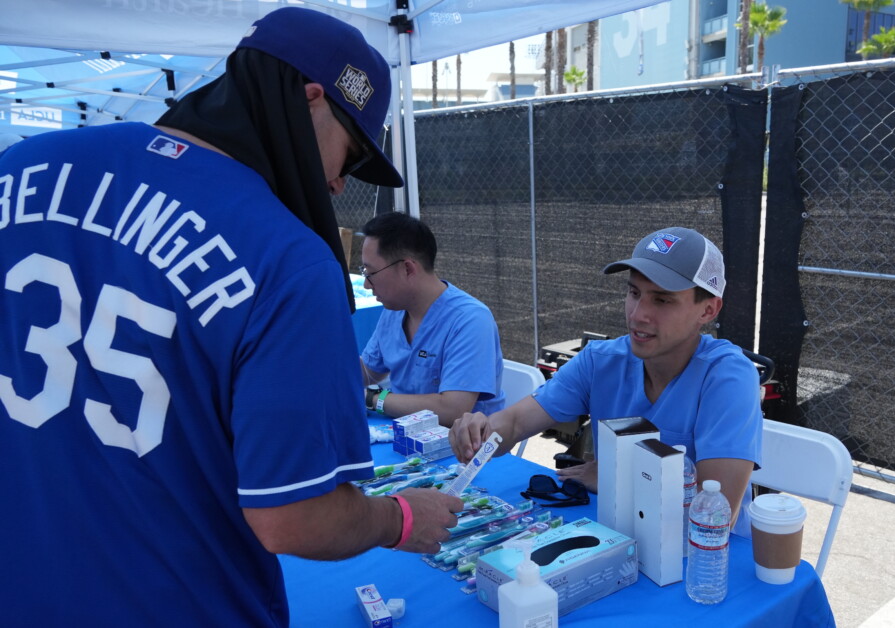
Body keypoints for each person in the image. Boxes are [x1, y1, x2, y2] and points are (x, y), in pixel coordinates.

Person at [0, 8, 462, 627]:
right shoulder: (289, 259)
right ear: (311, 100)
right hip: (183, 601)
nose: (336, 187)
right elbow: (293, 516)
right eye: (348, 157)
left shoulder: (22, 168)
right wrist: (400, 517)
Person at [449, 227, 763, 536]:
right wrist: (482, 433)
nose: (638, 314)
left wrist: (618, 479)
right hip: (621, 532)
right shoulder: (601, 360)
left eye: (662, 300)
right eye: (634, 292)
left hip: (707, 562)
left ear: (708, 309)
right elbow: (516, 422)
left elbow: (716, 514)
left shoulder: (728, 377)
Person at [360, 212, 506, 426]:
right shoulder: (394, 311)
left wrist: (373, 399)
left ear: (407, 268)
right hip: (404, 437)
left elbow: (452, 411)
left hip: (461, 451)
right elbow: (366, 371)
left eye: (370, 274)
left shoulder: (470, 321)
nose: (366, 285)